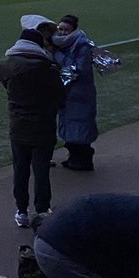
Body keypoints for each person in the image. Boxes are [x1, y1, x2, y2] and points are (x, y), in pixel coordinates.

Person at [0, 15, 65, 228]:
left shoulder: (7, 65)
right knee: (41, 170)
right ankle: (43, 210)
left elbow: (6, 85)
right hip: (43, 126)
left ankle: (21, 210)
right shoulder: (47, 69)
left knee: (21, 169)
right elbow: (61, 98)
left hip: (18, 126)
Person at [52, 14, 98, 171]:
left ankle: (83, 161)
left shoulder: (83, 45)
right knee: (68, 125)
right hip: (67, 92)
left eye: (66, 29)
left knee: (80, 126)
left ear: (74, 29)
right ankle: (73, 157)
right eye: (61, 29)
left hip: (80, 93)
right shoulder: (60, 43)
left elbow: (78, 69)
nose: (63, 33)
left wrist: (56, 56)